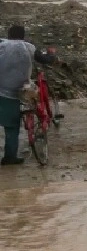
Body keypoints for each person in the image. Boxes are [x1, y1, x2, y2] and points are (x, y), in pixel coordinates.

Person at [0, 24, 56, 165]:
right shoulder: (29, 47)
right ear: (23, 36)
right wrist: (51, 54)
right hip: (15, 92)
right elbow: (45, 59)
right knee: (12, 126)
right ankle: (9, 157)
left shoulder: (1, 43)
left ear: (8, 35)